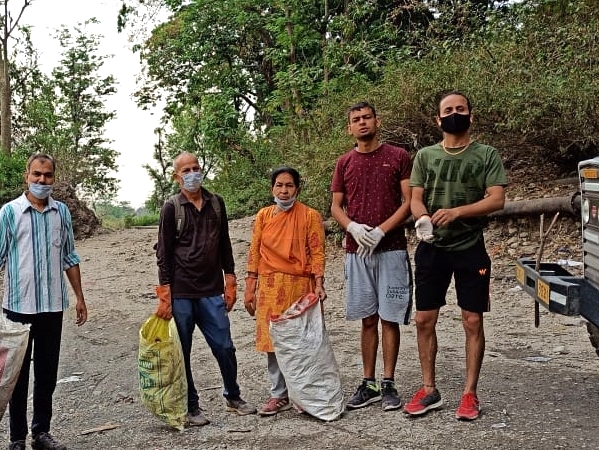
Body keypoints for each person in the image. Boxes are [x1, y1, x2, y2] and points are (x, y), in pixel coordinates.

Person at [0, 153, 87, 450]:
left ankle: (41, 434)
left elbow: (69, 257)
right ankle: (17, 438)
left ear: (54, 178)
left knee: (47, 374)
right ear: (26, 176)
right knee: (15, 378)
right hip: (18, 308)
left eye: (47, 176)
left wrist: (80, 297)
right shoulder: (10, 212)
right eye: (37, 175)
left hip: (52, 306)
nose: (42, 181)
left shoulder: (62, 214)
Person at [403, 90, 507, 421]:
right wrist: (422, 218)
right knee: (423, 319)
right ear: (438, 119)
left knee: (472, 319)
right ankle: (429, 388)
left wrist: (458, 212)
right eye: (448, 110)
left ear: (470, 115)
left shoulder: (486, 155)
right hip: (432, 248)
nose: (454, 113)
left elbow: (497, 200)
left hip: (469, 247)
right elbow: (416, 198)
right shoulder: (426, 156)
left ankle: (469, 393)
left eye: (460, 109)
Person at [154, 152, 257, 426]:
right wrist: (165, 295)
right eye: (185, 170)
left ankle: (233, 396)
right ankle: (191, 406)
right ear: (177, 177)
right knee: (182, 351)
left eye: (195, 167)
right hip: (182, 293)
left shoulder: (216, 203)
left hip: (212, 290)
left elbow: (224, 243)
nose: (192, 173)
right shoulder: (171, 208)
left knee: (225, 346)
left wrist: (231, 280)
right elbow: (163, 254)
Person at [330, 101, 413, 412]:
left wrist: (381, 230)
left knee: (390, 318)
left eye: (367, 117)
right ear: (349, 127)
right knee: (368, 318)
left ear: (377, 121)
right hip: (357, 250)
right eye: (356, 119)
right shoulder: (344, 163)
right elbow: (336, 206)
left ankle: (388, 381)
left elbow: (408, 201)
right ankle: (369, 383)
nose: (362, 123)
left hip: (391, 248)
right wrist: (352, 227)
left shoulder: (398, 157)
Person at [244, 166, 327, 416]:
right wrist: (250, 288)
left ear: (297, 189)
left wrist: (319, 283)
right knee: (273, 342)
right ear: (272, 189)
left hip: (299, 286)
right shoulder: (263, 216)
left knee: (300, 341)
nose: (284, 190)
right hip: (269, 286)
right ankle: (278, 394)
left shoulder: (310, 216)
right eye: (279, 185)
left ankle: (302, 394)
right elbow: (254, 251)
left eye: (289, 185)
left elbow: (317, 251)